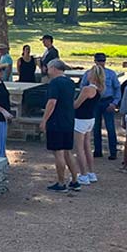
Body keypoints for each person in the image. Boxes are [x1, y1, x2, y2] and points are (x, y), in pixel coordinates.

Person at [40, 59, 81, 192]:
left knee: (58, 152)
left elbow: (52, 102)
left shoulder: (54, 83)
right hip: (69, 120)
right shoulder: (70, 83)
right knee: (68, 151)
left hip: (56, 121)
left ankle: (61, 182)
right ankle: (75, 180)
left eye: (49, 68)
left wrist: (44, 120)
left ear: (54, 68)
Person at [82, 53, 121, 160]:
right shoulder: (89, 73)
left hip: (108, 101)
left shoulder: (111, 74)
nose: (101, 63)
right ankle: (97, 150)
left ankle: (113, 152)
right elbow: (83, 86)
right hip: (95, 102)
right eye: (99, 61)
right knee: (95, 127)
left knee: (110, 127)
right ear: (95, 61)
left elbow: (117, 88)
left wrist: (114, 103)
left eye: (103, 61)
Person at [73, 65, 103, 185]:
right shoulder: (98, 89)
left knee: (79, 148)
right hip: (90, 119)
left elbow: (76, 105)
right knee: (87, 147)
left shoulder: (87, 89)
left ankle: (84, 175)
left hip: (81, 119)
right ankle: (91, 172)